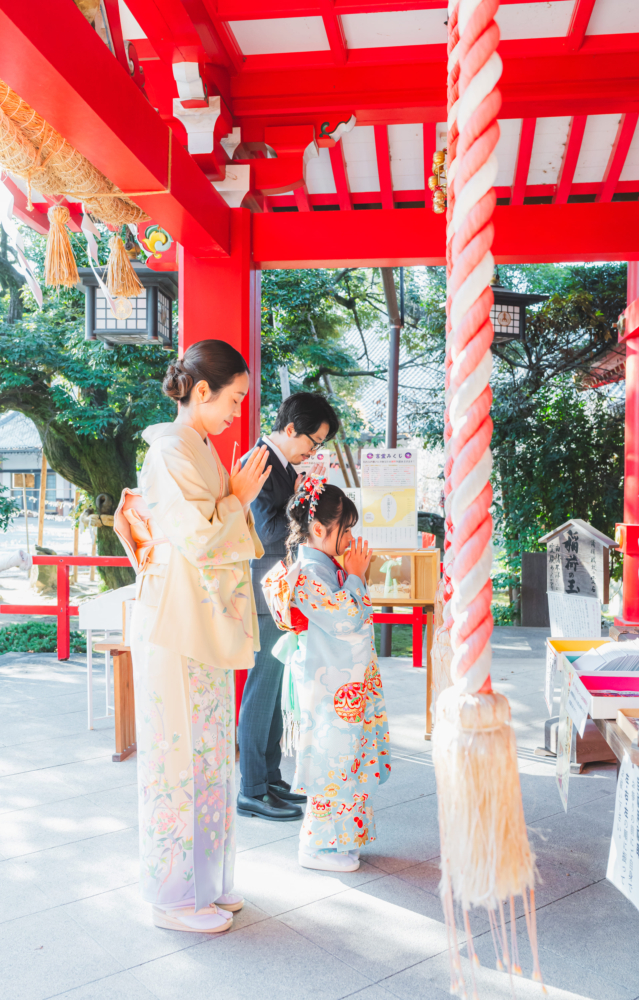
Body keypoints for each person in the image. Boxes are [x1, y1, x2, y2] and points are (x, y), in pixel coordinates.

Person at [117, 340, 269, 935]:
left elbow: (217, 524)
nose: (237, 412)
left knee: (208, 756)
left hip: (197, 618)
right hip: (174, 620)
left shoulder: (199, 446)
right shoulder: (170, 451)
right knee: (177, 760)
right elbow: (202, 540)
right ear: (201, 392)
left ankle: (207, 882)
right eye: (233, 399)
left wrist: (234, 499)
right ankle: (174, 896)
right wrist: (239, 499)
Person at [262, 479, 391, 872]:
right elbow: (348, 620)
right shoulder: (306, 575)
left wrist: (351, 576)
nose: (351, 538)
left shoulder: (324, 569)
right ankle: (316, 847)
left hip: (342, 684)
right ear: (319, 530)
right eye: (345, 529)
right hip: (327, 688)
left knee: (349, 759)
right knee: (330, 761)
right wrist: (354, 576)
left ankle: (341, 841)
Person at [237, 392, 340, 822]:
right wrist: (302, 500)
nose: (312, 451)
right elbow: (271, 532)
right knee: (263, 688)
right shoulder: (260, 462)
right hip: (265, 586)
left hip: (276, 586)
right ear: (292, 428)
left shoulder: (279, 464)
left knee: (276, 689)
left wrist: (299, 493)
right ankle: (252, 788)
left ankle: (271, 780)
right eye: (312, 442)